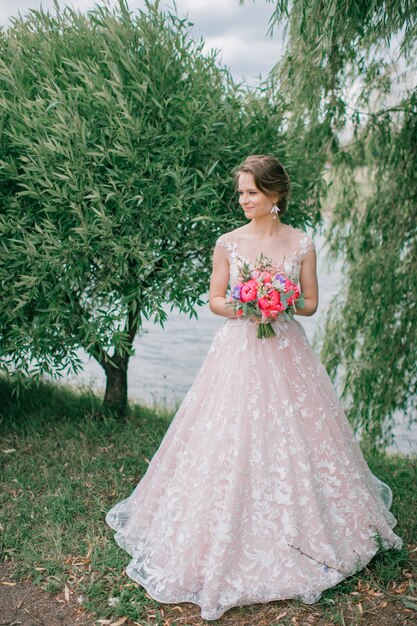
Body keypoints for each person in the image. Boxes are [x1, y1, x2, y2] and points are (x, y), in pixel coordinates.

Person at [106, 154, 402, 621]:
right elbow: (215, 299)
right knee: (230, 431)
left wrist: (280, 296)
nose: (243, 200)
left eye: (252, 192)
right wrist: (247, 302)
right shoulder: (228, 243)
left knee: (298, 431)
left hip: (286, 348)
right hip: (239, 348)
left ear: (275, 195)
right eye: (241, 192)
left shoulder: (302, 243)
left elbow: (309, 305)